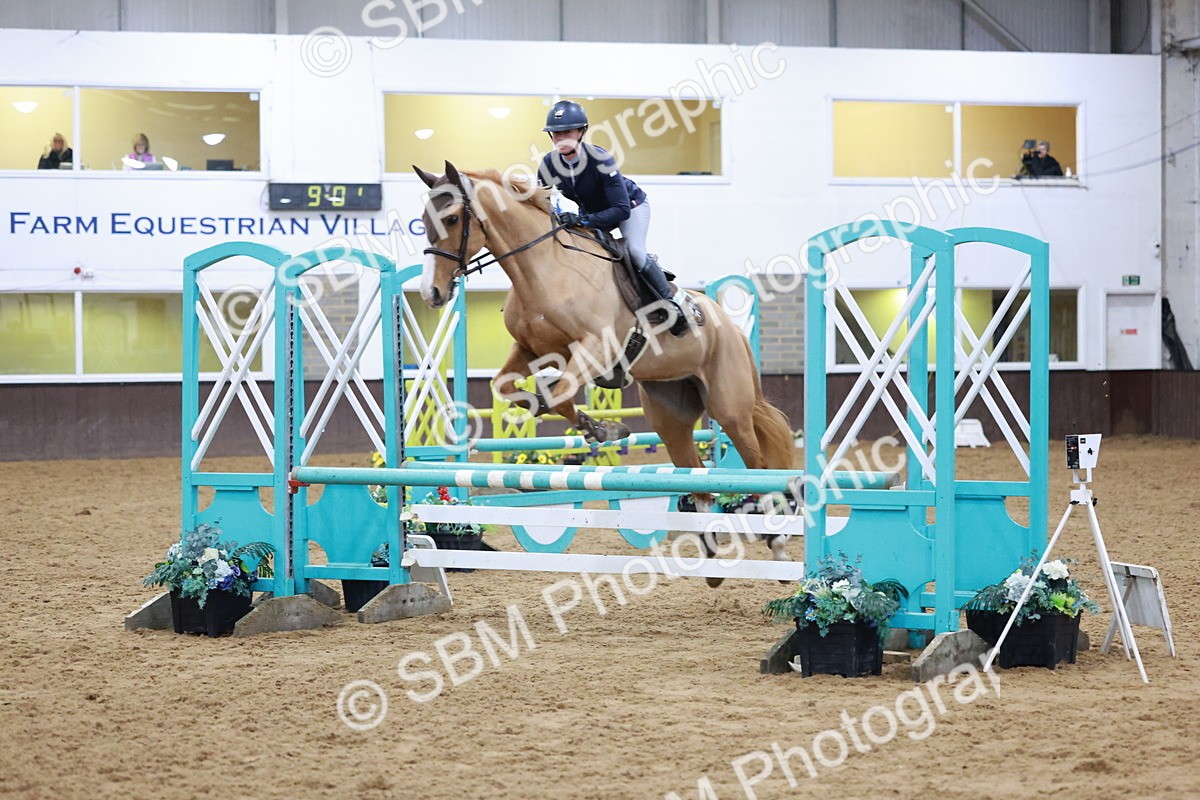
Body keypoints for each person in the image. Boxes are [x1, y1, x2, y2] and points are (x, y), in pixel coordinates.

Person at [536, 99, 690, 336]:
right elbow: (541, 200)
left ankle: (672, 304)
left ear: (581, 132)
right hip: (592, 213)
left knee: (635, 251)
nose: (560, 139)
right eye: (556, 134)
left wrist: (582, 221)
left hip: (630, 206)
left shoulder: (601, 160)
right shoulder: (549, 164)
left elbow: (621, 210)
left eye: (567, 132)